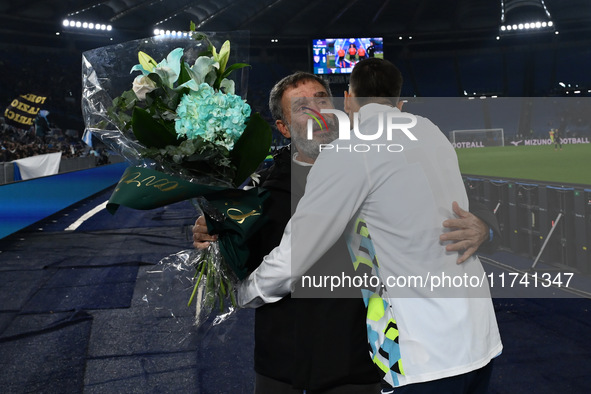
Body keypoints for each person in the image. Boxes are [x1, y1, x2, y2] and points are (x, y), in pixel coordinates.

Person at [194, 71, 499, 393]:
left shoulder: (383, 154)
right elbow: (240, 254)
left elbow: (461, 201)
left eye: (322, 100)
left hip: (359, 364)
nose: (318, 111)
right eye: (302, 107)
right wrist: (212, 235)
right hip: (281, 362)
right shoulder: (259, 190)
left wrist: (485, 228)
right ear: (283, 126)